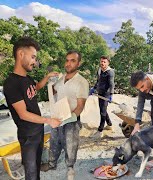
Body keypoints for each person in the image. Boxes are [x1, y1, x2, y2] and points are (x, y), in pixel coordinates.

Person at [3, 37, 61, 180]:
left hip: (38, 131)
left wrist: (47, 77)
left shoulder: (27, 79)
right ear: (21, 54)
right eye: (33, 57)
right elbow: (23, 114)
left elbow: (34, 89)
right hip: (28, 136)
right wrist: (49, 120)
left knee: (37, 170)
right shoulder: (11, 83)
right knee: (31, 173)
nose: (35, 62)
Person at [40, 50, 89, 180]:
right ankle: (51, 164)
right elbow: (54, 91)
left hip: (71, 119)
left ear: (79, 63)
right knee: (54, 142)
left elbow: (80, 106)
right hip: (57, 117)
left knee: (70, 145)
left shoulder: (81, 82)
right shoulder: (61, 79)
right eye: (67, 60)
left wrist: (71, 118)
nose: (68, 63)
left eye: (72, 61)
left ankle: (70, 168)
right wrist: (50, 82)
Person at [90, 55, 115, 138]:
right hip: (100, 93)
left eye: (104, 62)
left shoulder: (110, 72)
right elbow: (98, 81)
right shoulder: (99, 70)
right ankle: (109, 124)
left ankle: (100, 131)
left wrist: (111, 95)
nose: (102, 63)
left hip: (106, 94)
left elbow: (111, 84)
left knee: (102, 112)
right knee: (103, 109)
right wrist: (94, 88)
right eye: (101, 61)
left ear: (108, 63)